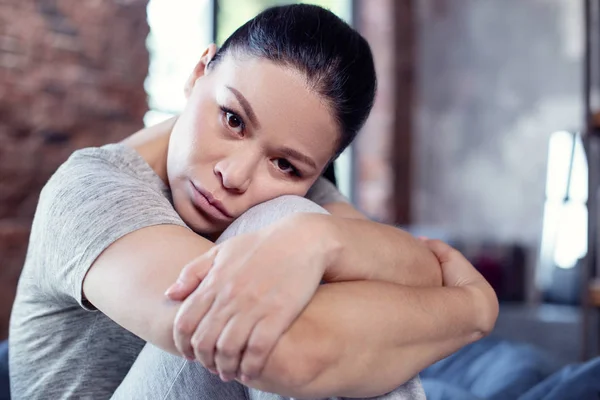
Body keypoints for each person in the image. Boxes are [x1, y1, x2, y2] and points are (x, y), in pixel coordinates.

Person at [9, 4, 498, 400]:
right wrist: (473, 309)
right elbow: (289, 357)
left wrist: (319, 239)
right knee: (284, 222)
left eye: (286, 164)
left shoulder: (299, 198)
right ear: (200, 71)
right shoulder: (91, 191)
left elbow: (418, 271)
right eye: (233, 119)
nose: (235, 175)